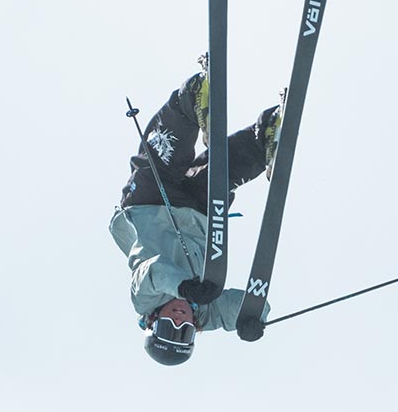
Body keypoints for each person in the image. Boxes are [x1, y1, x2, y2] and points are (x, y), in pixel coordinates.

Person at [110, 71, 279, 365]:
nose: (178, 321)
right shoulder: (205, 313)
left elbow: (154, 272)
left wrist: (184, 287)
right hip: (199, 213)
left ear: (153, 322)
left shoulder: (145, 299)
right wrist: (252, 319)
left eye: (167, 328)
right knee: (222, 173)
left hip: (149, 205)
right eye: (184, 332)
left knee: (165, 153)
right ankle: (265, 138)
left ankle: (192, 97)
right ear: (194, 330)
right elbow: (239, 309)